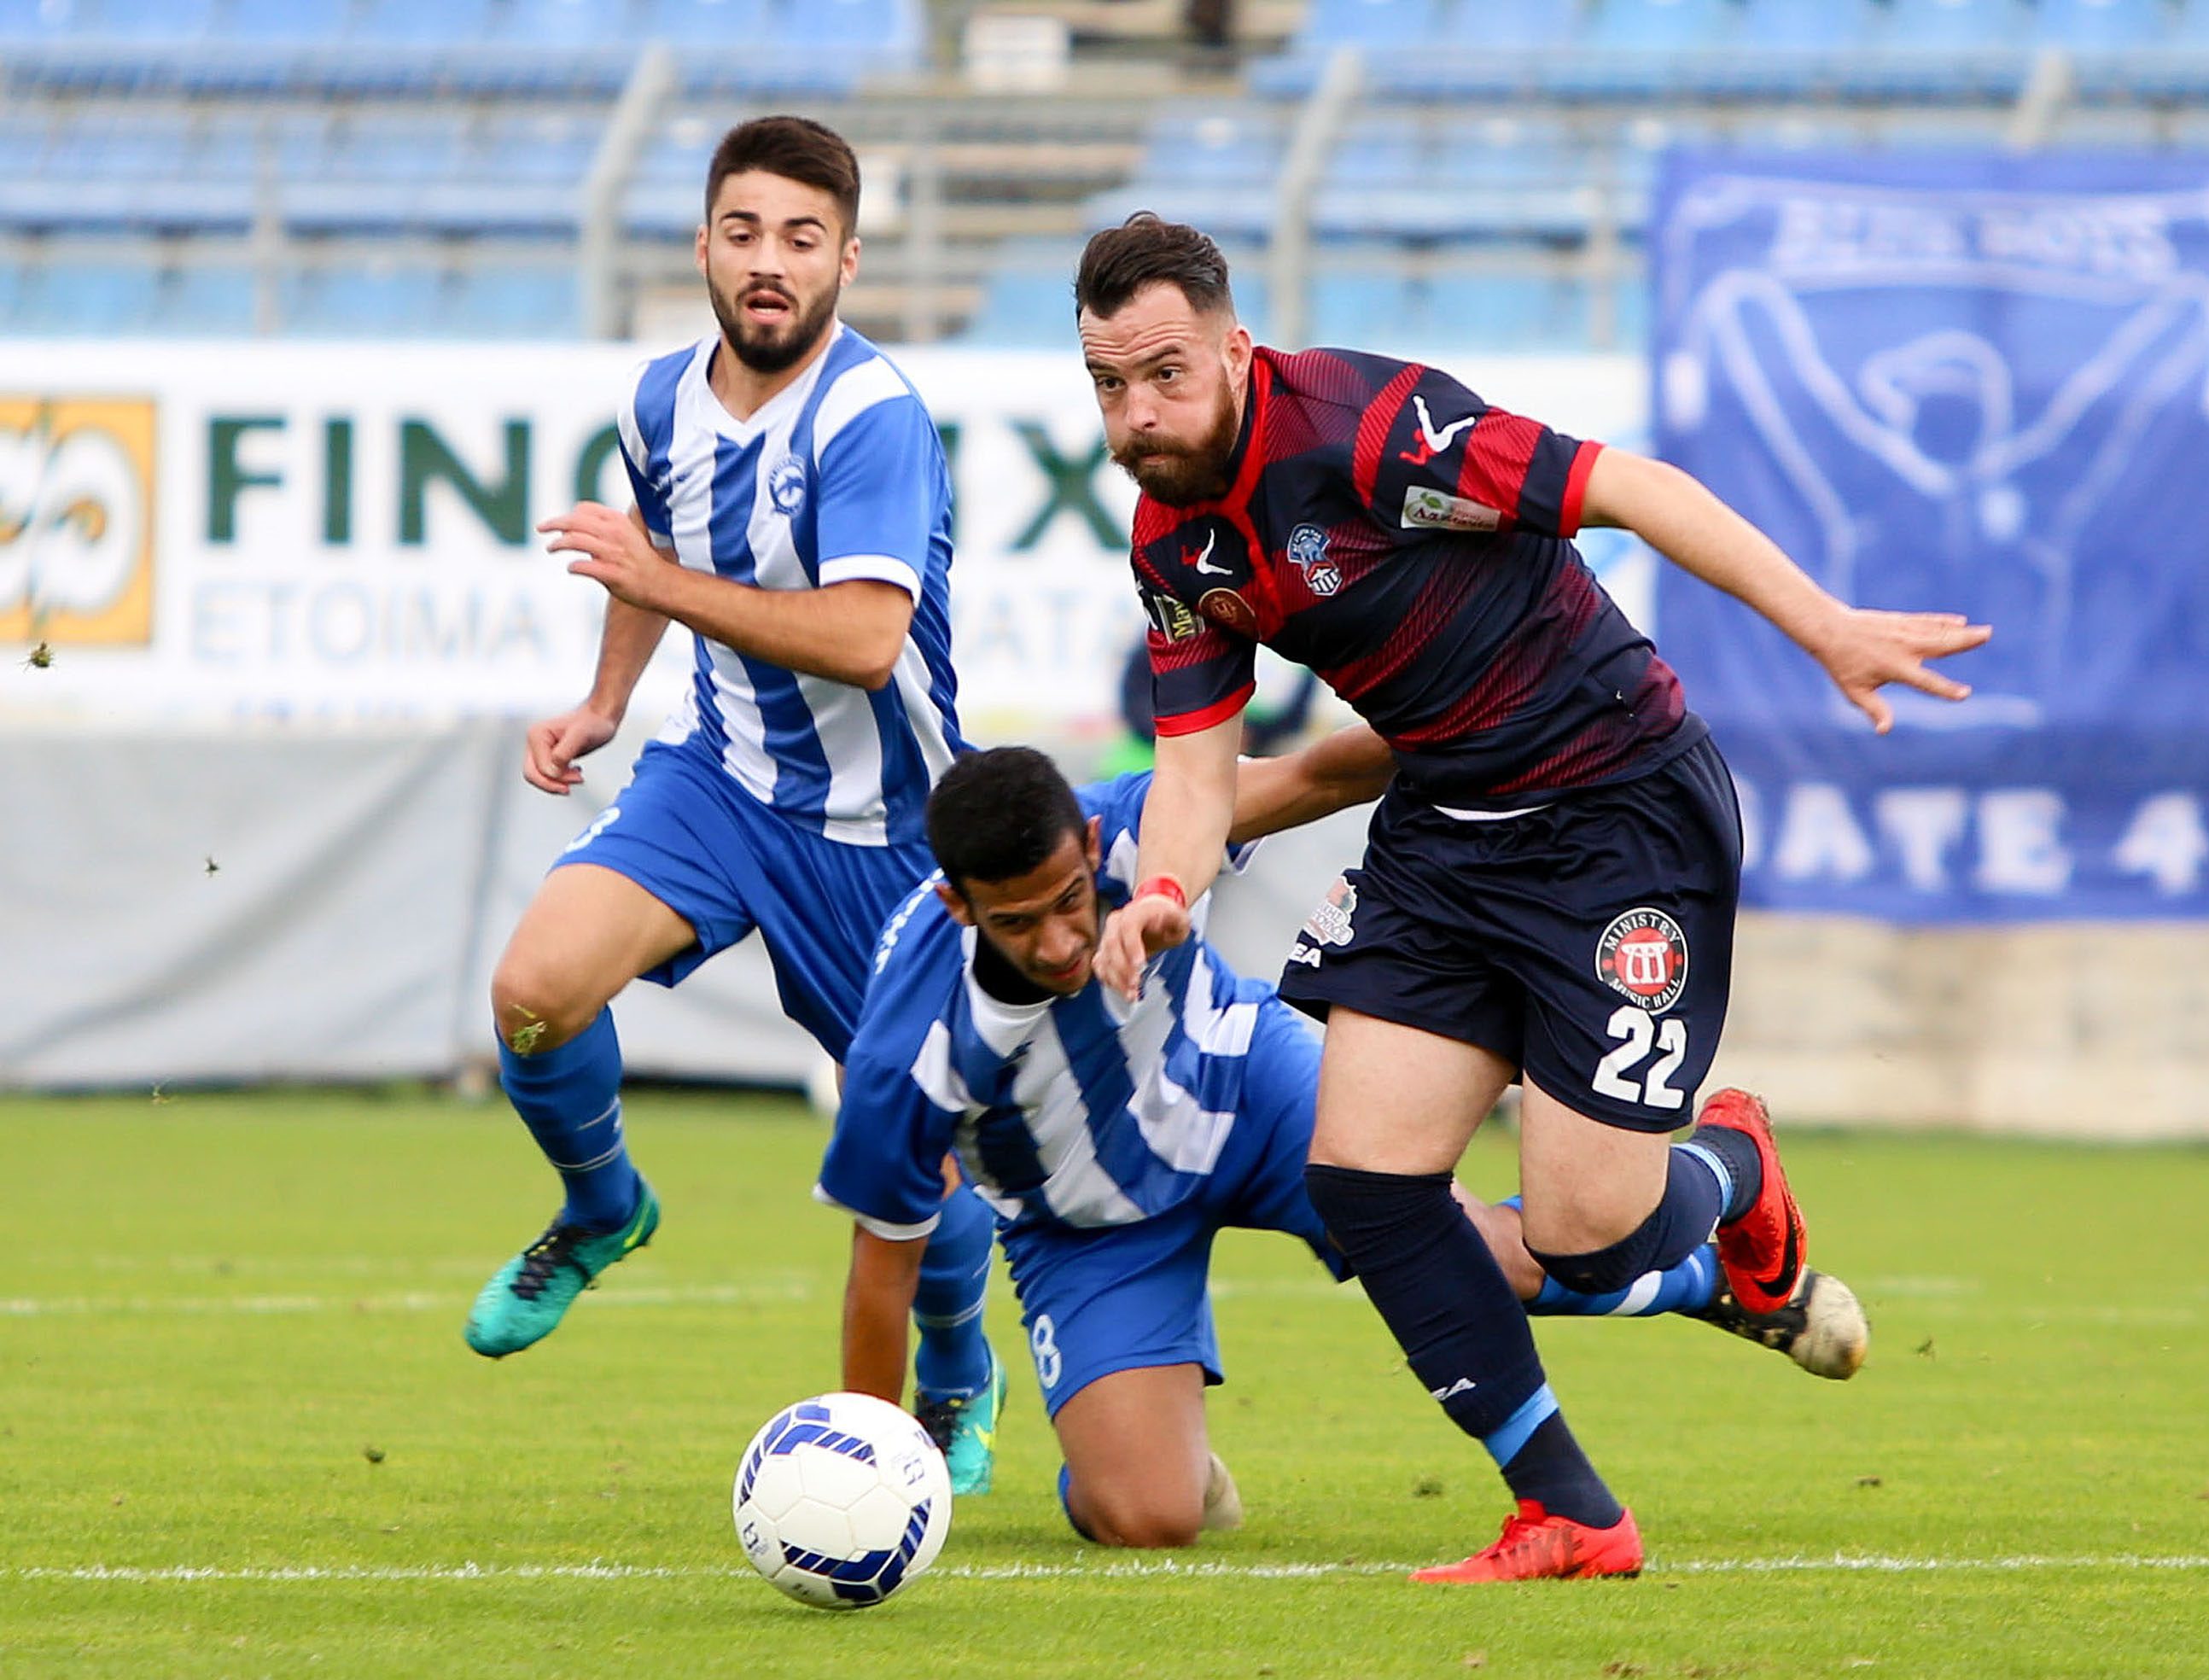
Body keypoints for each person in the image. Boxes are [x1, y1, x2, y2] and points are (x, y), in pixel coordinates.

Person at [1071, 214, 1989, 1580]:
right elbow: (1198, 774)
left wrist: (1828, 628)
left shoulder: (1369, 430)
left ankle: (1732, 1171)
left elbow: (1632, 487)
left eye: (1166, 374)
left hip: (1617, 812)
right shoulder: (1172, 546)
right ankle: (1568, 1511)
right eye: (1109, 385)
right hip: (1446, 834)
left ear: (1237, 351)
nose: (1138, 413)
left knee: (1585, 1236)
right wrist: (1160, 888)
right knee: (1365, 1183)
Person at [816, 741, 1870, 1550]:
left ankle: (1717, 1253)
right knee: (1146, 1518)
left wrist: (1478, 728)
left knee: (1498, 1264)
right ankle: (1132, 1448)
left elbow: (1322, 774)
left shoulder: (1146, 824)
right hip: (1087, 1225)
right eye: (1016, 923)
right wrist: (862, 1476)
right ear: (957, 903)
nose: (1058, 942)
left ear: (1092, 849)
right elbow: (880, 1275)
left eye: (1069, 902)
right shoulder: (906, 1053)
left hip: (1254, 1094)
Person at [463, 116, 1004, 1495]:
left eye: (802, 239)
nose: (771, 262)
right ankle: (602, 1208)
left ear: (847, 261)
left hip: (887, 838)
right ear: (704, 245)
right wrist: (604, 700)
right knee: (534, 992)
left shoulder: (871, 417)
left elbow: (866, 639)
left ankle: (957, 1370)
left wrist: (654, 581)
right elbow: (659, 556)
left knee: (919, 1172)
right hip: (719, 782)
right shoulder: (659, 400)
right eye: (746, 232)